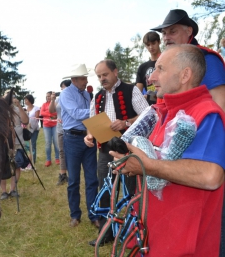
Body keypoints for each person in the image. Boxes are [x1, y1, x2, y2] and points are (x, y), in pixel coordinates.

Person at [110, 44, 225, 256]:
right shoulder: (163, 112)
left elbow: (211, 176)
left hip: (186, 247)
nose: (151, 77)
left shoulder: (207, 113)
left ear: (185, 75)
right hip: (155, 239)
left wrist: (147, 165)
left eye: (160, 69)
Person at [84, 59, 149, 246]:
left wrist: (126, 122)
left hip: (129, 149)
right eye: (99, 76)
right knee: (105, 189)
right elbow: (91, 121)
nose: (102, 79)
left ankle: (133, 231)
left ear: (115, 72)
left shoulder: (131, 90)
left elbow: (148, 114)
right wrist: (89, 136)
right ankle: (106, 232)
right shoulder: (97, 97)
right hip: (105, 150)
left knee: (130, 190)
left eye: (105, 74)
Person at [150, 9, 225, 110]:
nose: (166, 38)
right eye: (164, 33)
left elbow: (220, 103)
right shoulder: (165, 61)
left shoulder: (207, 58)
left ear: (189, 31)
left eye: (173, 32)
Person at [59, 64, 99, 228]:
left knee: (92, 179)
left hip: (88, 137)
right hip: (73, 140)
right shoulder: (66, 94)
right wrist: (96, 111)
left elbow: (87, 117)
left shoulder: (86, 94)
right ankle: (75, 215)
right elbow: (75, 113)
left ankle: (93, 214)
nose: (86, 80)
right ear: (74, 80)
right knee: (74, 180)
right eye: (83, 78)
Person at [0, 90, 29, 199]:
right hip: (4, 142)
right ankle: (3, 191)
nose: (11, 98)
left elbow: (25, 121)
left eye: (13, 96)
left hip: (18, 141)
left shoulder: (17, 110)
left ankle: (13, 189)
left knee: (17, 165)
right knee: (2, 166)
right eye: (8, 96)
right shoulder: (1, 110)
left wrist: (19, 106)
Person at [49, 79, 71, 186]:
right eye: (61, 87)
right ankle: (63, 174)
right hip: (60, 129)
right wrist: (52, 100)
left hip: (71, 129)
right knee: (61, 151)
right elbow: (51, 111)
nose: (62, 89)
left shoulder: (72, 97)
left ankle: (72, 173)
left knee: (71, 152)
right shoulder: (58, 98)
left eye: (64, 87)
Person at [136, 31, 161, 105]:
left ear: (159, 42)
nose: (151, 47)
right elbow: (137, 93)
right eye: (148, 45)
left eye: (153, 43)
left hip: (166, 102)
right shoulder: (142, 67)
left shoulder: (168, 61)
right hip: (151, 106)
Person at [39, 91, 59, 167]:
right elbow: (42, 113)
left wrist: (48, 113)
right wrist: (50, 114)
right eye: (47, 96)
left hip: (55, 125)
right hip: (46, 126)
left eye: (49, 96)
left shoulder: (55, 103)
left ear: (52, 97)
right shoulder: (44, 104)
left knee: (56, 142)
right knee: (48, 143)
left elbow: (57, 113)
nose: (48, 97)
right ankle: (48, 160)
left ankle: (57, 158)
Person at [24, 94, 40, 164]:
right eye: (25, 100)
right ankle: (27, 160)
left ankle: (33, 161)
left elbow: (37, 119)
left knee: (33, 145)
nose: (25, 101)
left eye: (26, 100)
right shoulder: (24, 108)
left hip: (34, 129)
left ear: (30, 100)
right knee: (27, 145)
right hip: (26, 129)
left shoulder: (36, 108)